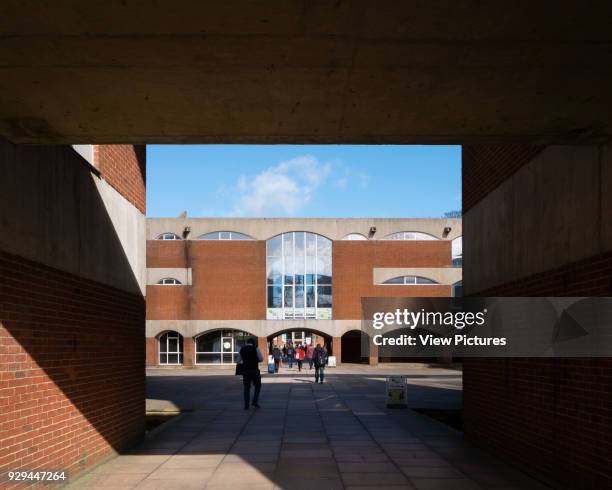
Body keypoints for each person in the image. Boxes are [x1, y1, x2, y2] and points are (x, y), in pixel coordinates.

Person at [238, 338, 263, 409]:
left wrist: (245, 361)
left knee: (246, 388)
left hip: (245, 371)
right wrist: (255, 360)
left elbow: (238, 361)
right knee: (258, 386)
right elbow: (261, 359)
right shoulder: (256, 348)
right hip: (254, 370)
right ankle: (255, 401)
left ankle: (246, 405)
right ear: (253, 343)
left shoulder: (242, 349)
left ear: (247, 342)